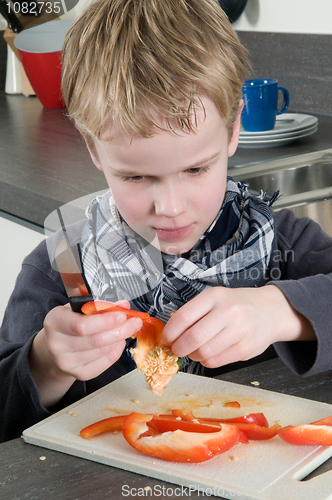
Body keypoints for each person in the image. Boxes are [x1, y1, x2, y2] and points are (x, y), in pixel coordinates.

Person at [1, 0, 332, 444]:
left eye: (196, 170)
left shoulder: (282, 243)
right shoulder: (62, 267)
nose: (171, 208)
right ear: (94, 150)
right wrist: (45, 363)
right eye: (136, 176)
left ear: (233, 131)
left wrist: (282, 312)